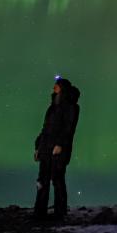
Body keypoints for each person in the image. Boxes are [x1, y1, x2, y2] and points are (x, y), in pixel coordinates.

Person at [33, 76, 80, 220]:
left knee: (57, 180)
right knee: (42, 180)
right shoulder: (52, 107)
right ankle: (40, 212)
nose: (54, 88)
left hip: (58, 150)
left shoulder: (71, 107)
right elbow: (45, 128)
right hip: (46, 149)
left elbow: (68, 128)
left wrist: (60, 144)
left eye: (56, 85)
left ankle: (60, 213)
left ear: (62, 88)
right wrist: (38, 147)